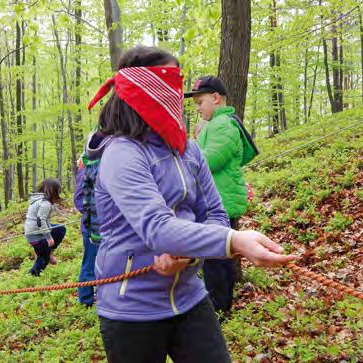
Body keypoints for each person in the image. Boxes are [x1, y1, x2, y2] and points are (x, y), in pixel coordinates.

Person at [87, 45, 296, 363]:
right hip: (131, 308)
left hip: (188, 295)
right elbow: (157, 228)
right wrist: (234, 241)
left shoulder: (189, 151)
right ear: (145, 90)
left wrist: (187, 252)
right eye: (169, 84)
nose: (178, 96)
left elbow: (214, 212)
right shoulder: (122, 154)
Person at [185, 76, 258, 315]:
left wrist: (185, 153)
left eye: (200, 102)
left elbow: (209, 160)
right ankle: (221, 304)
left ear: (215, 98)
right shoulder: (215, 124)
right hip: (216, 201)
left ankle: (219, 308)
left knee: (217, 261)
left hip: (221, 203)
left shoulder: (223, 125)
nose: (197, 109)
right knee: (219, 258)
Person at [73, 132, 110, 307]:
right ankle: (85, 300)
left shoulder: (106, 165)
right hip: (90, 225)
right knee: (89, 262)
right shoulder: (86, 167)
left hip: (104, 225)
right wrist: (92, 212)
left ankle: (103, 298)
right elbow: (79, 199)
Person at [24, 178, 66, 276]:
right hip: (36, 235)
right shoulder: (45, 204)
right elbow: (40, 220)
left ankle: (49, 251)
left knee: (60, 229)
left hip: (33, 231)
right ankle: (32, 276)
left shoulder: (38, 200)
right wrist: (49, 237)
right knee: (43, 259)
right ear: (54, 192)